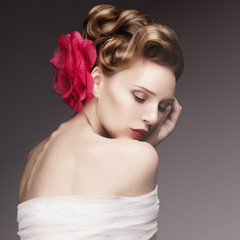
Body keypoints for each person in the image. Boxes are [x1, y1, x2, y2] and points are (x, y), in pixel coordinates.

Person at [17, 4, 184, 240]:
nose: (153, 117)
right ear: (96, 82)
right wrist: (143, 149)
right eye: (140, 97)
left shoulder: (33, 159)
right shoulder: (139, 158)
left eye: (162, 106)